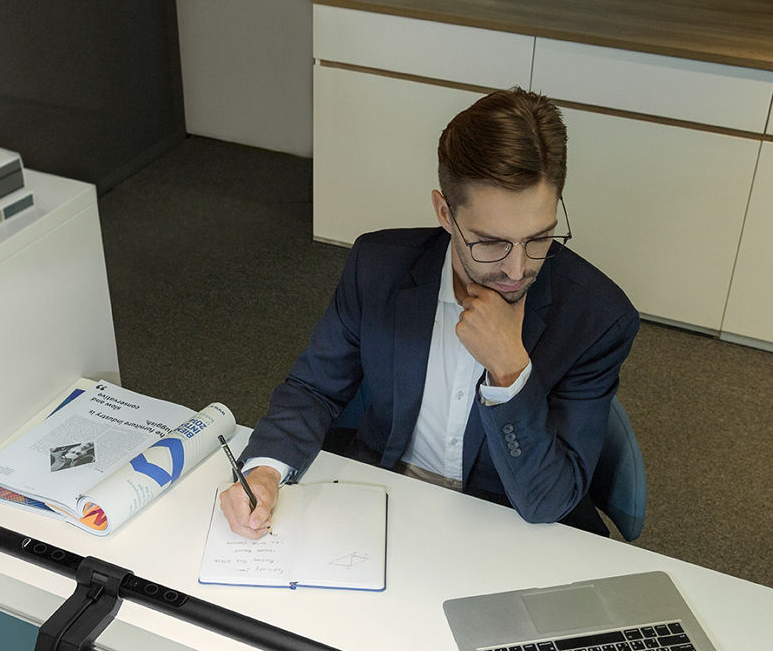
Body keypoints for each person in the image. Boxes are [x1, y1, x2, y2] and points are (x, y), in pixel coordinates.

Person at [219, 87, 638, 539]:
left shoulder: (598, 319)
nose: (518, 269)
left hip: (508, 524)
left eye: (539, 238)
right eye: (491, 241)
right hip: (384, 502)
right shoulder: (376, 267)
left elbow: (548, 501)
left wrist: (509, 371)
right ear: (444, 211)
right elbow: (314, 389)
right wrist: (265, 469)